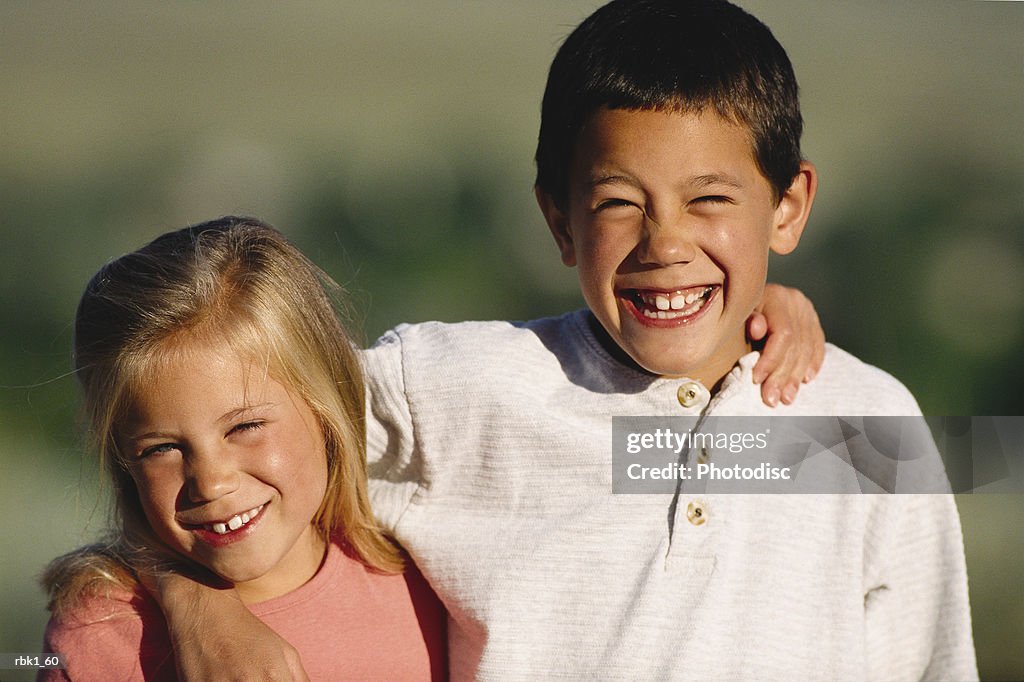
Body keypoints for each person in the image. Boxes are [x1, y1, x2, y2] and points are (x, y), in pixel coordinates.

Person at [140, 1, 976, 680]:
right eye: (618, 202)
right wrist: (194, 605)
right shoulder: (452, 392)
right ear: (558, 219)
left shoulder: (866, 424)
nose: (666, 245)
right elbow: (192, 454)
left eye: (710, 201)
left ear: (787, 208)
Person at [37, 218, 446, 681]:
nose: (211, 482)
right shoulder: (99, 638)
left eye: (245, 426)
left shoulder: (424, 575)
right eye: (162, 448)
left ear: (326, 405)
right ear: (123, 461)